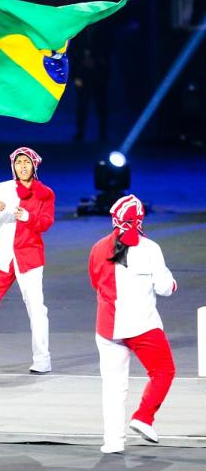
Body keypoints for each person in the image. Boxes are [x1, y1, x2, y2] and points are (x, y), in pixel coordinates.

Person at [89, 194, 177, 454]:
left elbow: (95, 281)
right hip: (142, 327)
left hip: (107, 328)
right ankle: (144, 416)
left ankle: (113, 441)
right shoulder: (150, 249)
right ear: (139, 218)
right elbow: (164, 288)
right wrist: (172, 282)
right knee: (163, 371)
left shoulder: (97, 248)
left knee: (113, 386)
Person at [0, 147, 55, 373]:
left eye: (27, 162)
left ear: (34, 165)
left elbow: (46, 223)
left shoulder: (45, 193)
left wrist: (29, 218)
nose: (22, 166)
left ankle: (42, 359)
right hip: (2, 255)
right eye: (18, 162)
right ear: (13, 166)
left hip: (29, 257)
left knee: (36, 308)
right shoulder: (2, 188)